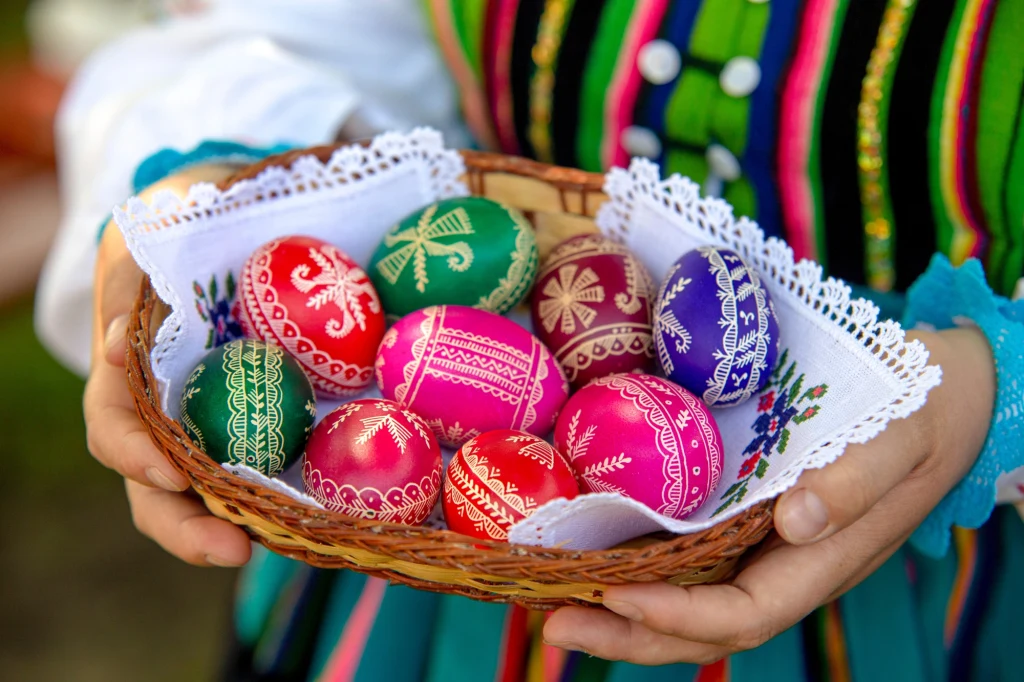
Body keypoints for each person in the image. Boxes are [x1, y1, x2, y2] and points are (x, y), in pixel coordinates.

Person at [36, 1, 1024, 680]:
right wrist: (232, 193)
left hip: (929, 600)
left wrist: (997, 385)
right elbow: (298, 38)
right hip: (419, 577)